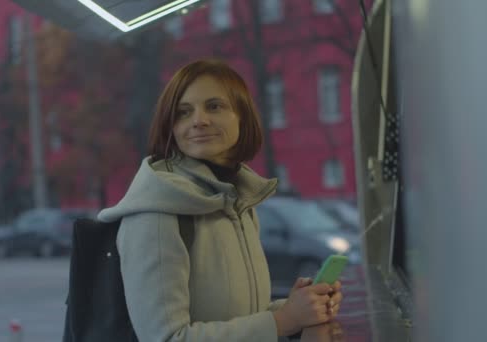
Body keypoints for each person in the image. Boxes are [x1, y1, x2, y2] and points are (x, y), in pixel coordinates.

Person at [97, 59, 343, 341]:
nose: (199, 120)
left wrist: (300, 308)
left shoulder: (237, 202)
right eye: (183, 112)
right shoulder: (157, 214)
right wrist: (284, 320)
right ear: (171, 127)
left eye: (214, 106)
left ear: (242, 116)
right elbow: (167, 338)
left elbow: (240, 316)